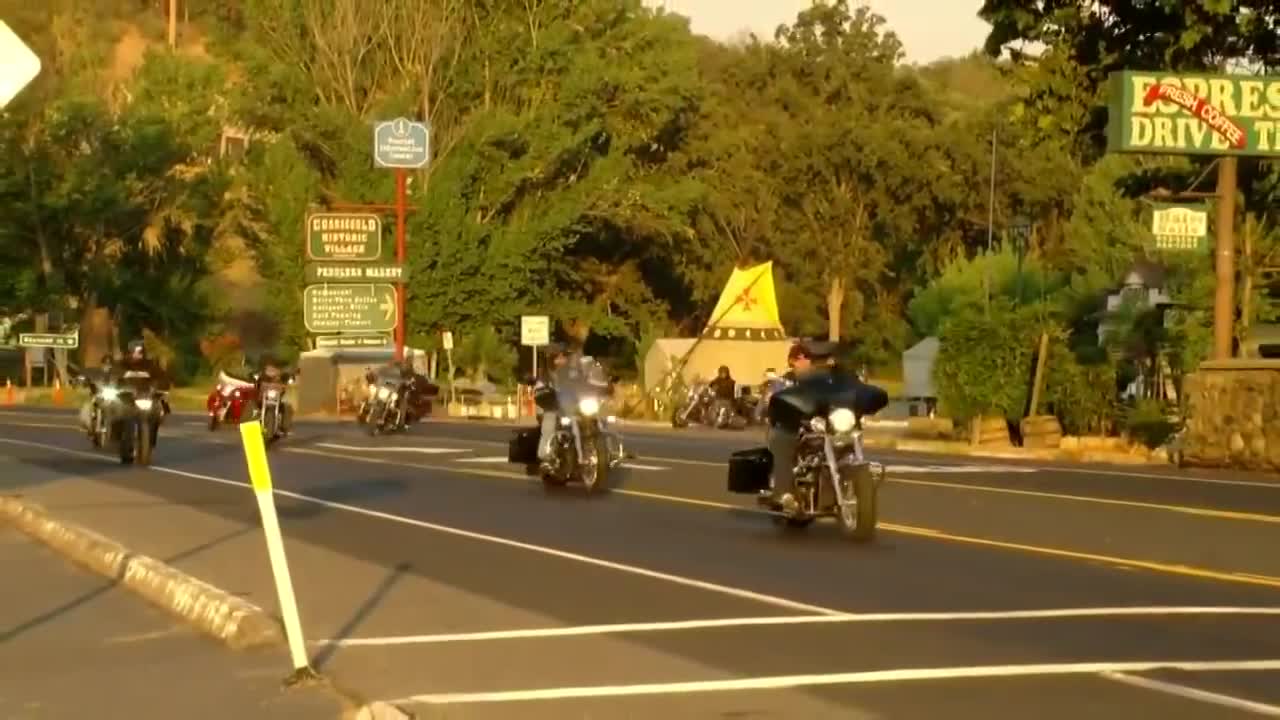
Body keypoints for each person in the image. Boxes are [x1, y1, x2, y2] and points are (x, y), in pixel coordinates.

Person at [766, 340, 831, 516]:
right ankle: (783, 493)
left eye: (807, 358)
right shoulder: (784, 382)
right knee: (781, 440)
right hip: (792, 426)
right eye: (799, 358)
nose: (804, 362)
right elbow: (773, 401)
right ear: (791, 361)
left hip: (818, 426)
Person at [535, 344, 571, 465]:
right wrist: (548, 394)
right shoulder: (546, 376)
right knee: (550, 421)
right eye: (558, 357)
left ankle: (604, 450)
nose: (561, 360)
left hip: (572, 408)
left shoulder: (573, 374)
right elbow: (539, 391)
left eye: (564, 356)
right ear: (551, 359)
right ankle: (544, 454)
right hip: (551, 407)